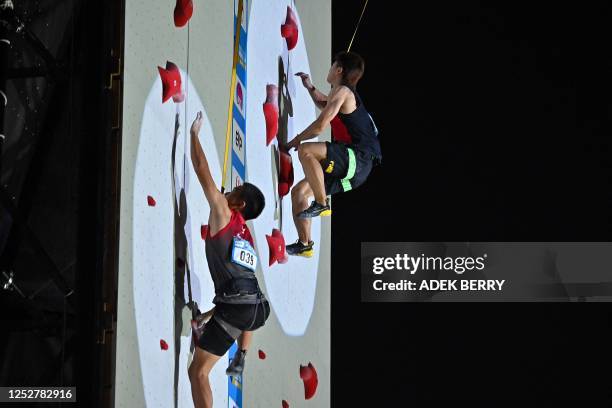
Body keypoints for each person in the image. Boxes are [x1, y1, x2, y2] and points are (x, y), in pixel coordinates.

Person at [187, 112, 270, 408]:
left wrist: (194, 134)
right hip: (256, 310)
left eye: (234, 190)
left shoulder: (223, 211)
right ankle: (242, 355)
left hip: (242, 308)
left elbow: (200, 168)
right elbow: (235, 291)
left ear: (239, 203)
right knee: (238, 305)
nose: (228, 190)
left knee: (198, 372)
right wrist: (205, 318)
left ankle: (240, 354)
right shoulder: (245, 235)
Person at [285, 51, 382, 257]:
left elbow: (321, 126)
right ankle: (305, 243)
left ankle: (321, 203)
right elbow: (325, 104)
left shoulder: (344, 91)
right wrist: (310, 87)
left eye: (332, 65)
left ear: (339, 70)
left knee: (306, 150)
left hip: (357, 158)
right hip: (357, 174)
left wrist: (297, 139)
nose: (329, 69)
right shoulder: (343, 95)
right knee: (299, 193)